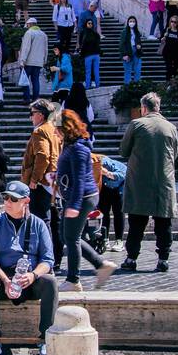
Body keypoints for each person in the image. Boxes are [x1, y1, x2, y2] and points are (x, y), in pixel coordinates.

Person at [0, 182, 58, 355]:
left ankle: (45, 339)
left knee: (51, 282)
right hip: (4, 277)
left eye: (13, 199)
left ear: (26, 201)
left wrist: (33, 275)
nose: (7, 202)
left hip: (30, 279)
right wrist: (5, 280)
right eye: (5, 197)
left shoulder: (38, 224)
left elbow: (48, 259)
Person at [119, 92, 178, 274]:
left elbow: (124, 151)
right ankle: (163, 260)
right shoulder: (171, 127)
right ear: (158, 107)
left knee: (137, 222)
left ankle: (131, 259)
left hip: (140, 181)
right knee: (164, 223)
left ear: (143, 108)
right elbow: (174, 154)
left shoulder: (137, 124)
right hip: (164, 182)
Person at [56, 109, 114, 291]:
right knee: (65, 234)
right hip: (76, 196)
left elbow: (80, 179)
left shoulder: (78, 148)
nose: (55, 132)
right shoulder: (70, 146)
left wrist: (73, 205)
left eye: (57, 128)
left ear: (65, 128)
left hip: (82, 197)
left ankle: (73, 280)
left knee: (71, 237)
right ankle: (100, 264)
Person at [21, 97, 62, 266]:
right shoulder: (52, 129)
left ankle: (46, 258)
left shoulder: (39, 132)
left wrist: (34, 179)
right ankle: (56, 258)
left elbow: (43, 156)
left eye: (32, 113)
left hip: (42, 182)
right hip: (52, 181)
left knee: (41, 221)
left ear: (41, 115)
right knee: (54, 220)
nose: (31, 117)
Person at [97, 153, 127, 253]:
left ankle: (119, 240)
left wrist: (107, 173)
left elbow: (121, 175)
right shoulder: (94, 164)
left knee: (118, 213)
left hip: (118, 189)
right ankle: (105, 238)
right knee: (103, 213)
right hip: (105, 188)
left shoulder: (112, 165)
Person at [18, 19, 48, 102]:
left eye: (27, 25)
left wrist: (22, 60)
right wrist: (44, 60)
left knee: (25, 80)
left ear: (30, 24)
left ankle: (26, 98)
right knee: (35, 81)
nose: (27, 26)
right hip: (38, 62)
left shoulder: (29, 33)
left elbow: (26, 48)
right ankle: (36, 98)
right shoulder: (43, 34)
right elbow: (46, 49)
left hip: (28, 61)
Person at [77, 15, 101, 89]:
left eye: (91, 23)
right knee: (96, 71)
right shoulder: (95, 34)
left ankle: (87, 87)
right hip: (96, 55)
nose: (90, 25)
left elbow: (82, 44)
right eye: (89, 23)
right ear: (86, 24)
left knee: (88, 72)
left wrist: (81, 53)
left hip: (89, 55)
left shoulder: (84, 33)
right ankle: (97, 86)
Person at [161, 14, 178, 81]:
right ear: (170, 22)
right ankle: (168, 84)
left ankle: (175, 84)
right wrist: (163, 38)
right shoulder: (166, 30)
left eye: (175, 22)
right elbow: (161, 40)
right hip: (167, 53)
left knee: (176, 69)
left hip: (177, 53)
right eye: (172, 21)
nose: (173, 23)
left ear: (177, 23)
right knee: (169, 68)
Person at [120, 15, 144, 85]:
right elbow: (122, 44)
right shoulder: (125, 32)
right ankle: (127, 88)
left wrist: (139, 46)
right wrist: (124, 55)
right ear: (128, 22)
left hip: (136, 52)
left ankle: (137, 87)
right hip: (128, 52)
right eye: (130, 21)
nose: (132, 23)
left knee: (138, 70)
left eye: (133, 21)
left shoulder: (137, 32)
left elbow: (139, 42)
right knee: (128, 71)